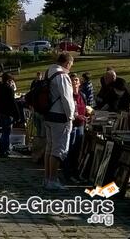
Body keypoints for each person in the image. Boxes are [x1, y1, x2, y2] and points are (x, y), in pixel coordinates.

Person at [43, 52, 75, 191]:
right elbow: (67, 99)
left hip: (48, 114)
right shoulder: (62, 76)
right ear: (67, 64)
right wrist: (71, 116)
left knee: (49, 148)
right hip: (59, 115)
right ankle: (52, 179)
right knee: (58, 149)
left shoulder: (49, 72)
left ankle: (47, 177)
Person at [63, 73, 87, 183]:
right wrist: (75, 116)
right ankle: (67, 174)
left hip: (81, 125)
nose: (75, 82)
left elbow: (85, 108)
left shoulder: (82, 95)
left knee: (77, 150)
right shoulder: (67, 95)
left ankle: (76, 173)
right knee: (70, 150)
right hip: (71, 125)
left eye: (77, 80)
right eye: (73, 81)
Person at [0, 72, 19, 157]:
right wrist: (17, 115)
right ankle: (3, 150)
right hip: (7, 112)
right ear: (9, 80)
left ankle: (3, 147)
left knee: (0, 130)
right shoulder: (9, 89)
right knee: (6, 132)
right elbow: (13, 102)